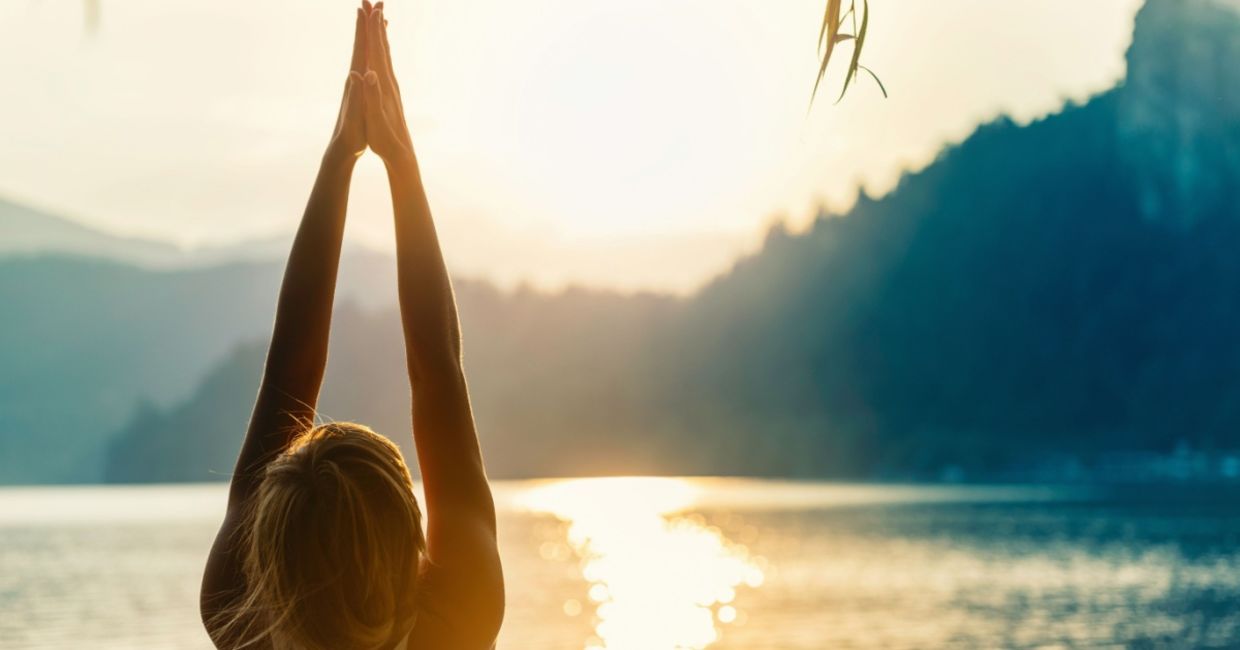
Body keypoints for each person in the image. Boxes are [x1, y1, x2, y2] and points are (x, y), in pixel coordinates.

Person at [199, 3, 504, 648]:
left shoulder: (240, 619)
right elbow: (438, 367)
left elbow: (289, 373)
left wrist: (342, 156)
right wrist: (398, 157)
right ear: (409, 544)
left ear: (271, 555)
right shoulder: (457, 622)